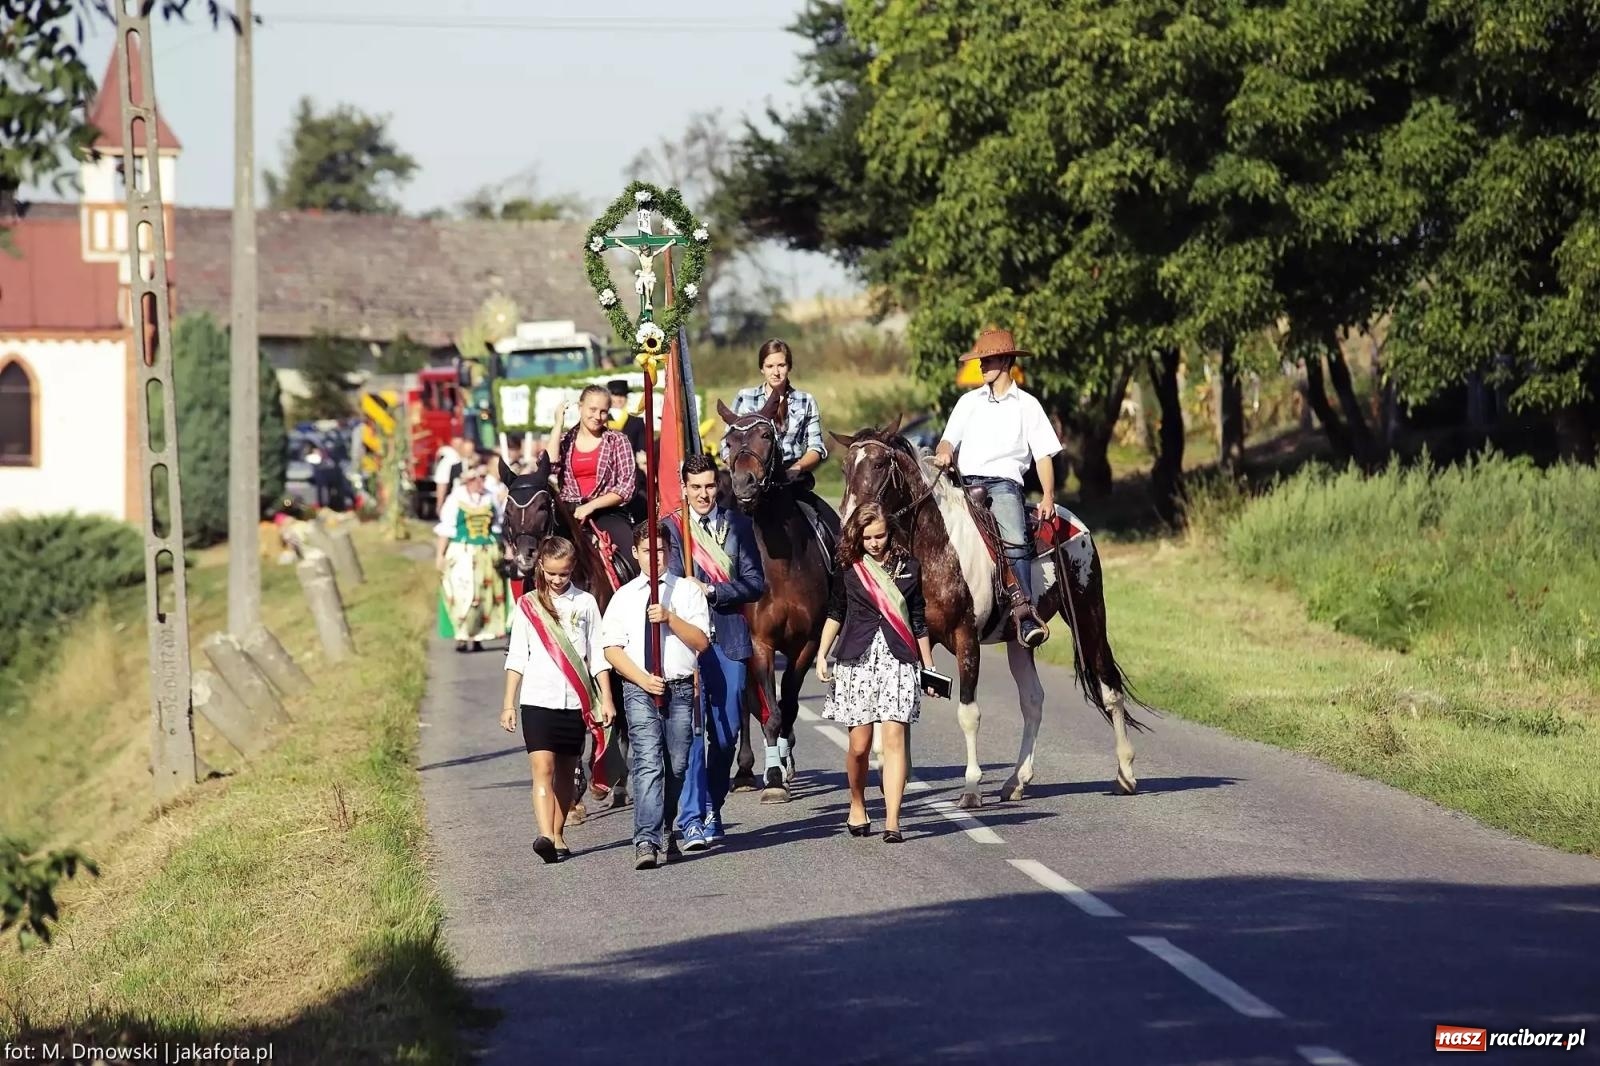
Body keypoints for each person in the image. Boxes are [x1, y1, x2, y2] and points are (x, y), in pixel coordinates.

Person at [660, 454, 766, 849]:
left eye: (709, 486)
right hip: (685, 641)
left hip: (729, 639)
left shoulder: (738, 525)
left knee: (725, 735)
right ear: (684, 488)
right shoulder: (671, 530)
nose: (704, 494)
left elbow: (756, 584)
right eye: (696, 487)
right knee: (692, 732)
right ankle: (690, 820)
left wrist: (714, 591)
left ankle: (711, 805)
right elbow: (665, 582)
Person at [816, 502, 938, 844]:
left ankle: (893, 821)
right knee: (860, 744)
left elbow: (918, 621)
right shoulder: (849, 569)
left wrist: (928, 666)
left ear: (891, 533)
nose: (874, 543)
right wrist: (822, 654)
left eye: (880, 536)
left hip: (898, 659)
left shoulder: (910, 568)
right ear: (858, 536)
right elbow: (836, 613)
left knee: (894, 738)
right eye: (867, 537)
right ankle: (857, 802)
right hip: (857, 659)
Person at [931, 327, 1059, 649]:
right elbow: (949, 438)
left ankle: (1024, 611)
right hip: (963, 483)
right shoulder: (967, 402)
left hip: (1003, 487)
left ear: (1004, 361)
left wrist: (1047, 496)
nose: (981, 366)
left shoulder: (1027, 406)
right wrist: (945, 450)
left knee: (1015, 539)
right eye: (980, 360)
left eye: (987, 360)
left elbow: (1043, 455)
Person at [600, 522, 711, 871]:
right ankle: (646, 839)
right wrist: (643, 680)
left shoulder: (686, 592)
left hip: (678, 687)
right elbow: (611, 650)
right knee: (648, 763)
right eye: (648, 551)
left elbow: (701, 642)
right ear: (635, 553)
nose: (655, 557)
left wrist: (669, 618)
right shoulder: (624, 596)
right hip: (639, 688)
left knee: (676, 764)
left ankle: (666, 825)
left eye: (661, 551)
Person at [502, 536, 616, 864]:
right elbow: (516, 657)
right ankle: (546, 836)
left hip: (574, 702)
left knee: (567, 772)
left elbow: (597, 657)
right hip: (537, 699)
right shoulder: (528, 606)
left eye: (563, 574)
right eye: (551, 573)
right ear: (541, 568)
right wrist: (509, 703)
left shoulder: (586, 604)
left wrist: (606, 699)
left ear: (572, 569)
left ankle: (559, 831)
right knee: (543, 768)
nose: (556, 580)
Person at [723, 338, 841, 546]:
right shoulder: (745, 397)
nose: (775, 372)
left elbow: (816, 448)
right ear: (762, 368)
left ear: (789, 367)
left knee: (834, 529)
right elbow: (727, 446)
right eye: (770, 366)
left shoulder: (806, 401)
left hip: (790, 482)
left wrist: (797, 467)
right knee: (727, 531)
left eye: (781, 365)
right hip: (751, 484)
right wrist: (744, 472)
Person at [550, 384, 639, 582]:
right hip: (568, 513)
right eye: (592, 409)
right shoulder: (564, 441)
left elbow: (626, 487)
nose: (597, 416)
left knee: (633, 559)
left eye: (603, 412)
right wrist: (558, 425)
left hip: (607, 512)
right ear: (580, 407)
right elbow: (548, 467)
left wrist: (591, 506)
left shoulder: (618, 440)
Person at [434, 463, 508, 652]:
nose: (481, 482)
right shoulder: (456, 499)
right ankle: (462, 634)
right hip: (462, 552)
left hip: (487, 552)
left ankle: (478, 636)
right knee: (463, 593)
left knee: (484, 596)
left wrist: (506, 549)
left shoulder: (490, 497)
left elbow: (499, 526)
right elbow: (446, 529)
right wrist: (440, 555)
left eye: (483, 478)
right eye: (477, 478)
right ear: (468, 480)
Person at [607, 379, 649, 521]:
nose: (619, 399)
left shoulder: (635, 421)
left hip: (632, 473)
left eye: (622, 395)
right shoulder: (602, 420)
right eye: (616, 395)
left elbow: (641, 449)